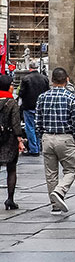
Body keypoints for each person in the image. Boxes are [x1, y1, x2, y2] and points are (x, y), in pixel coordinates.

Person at [34, 66, 75, 214]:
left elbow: (37, 121)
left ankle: (54, 205)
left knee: (51, 173)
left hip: (47, 138)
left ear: (52, 80)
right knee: (71, 169)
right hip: (65, 137)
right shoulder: (71, 97)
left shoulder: (42, 97)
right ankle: (60, 191)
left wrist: (42, 135)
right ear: (66, 80)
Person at [0, 73, 25, 209]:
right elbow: (16, 124)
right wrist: (19, 140)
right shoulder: (11, 102)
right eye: (11, 85)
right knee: (11, 169)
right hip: (9, 139)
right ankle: (10, 199)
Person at [18, 65, 50, 156]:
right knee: (38, 127)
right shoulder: (44, 78)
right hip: (41, 107)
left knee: (30, 128)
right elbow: (47, 91)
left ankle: (33, 149)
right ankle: (39, 147)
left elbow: (21, 93)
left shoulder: (26, 78)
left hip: (28, 106)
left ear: (30, 68)